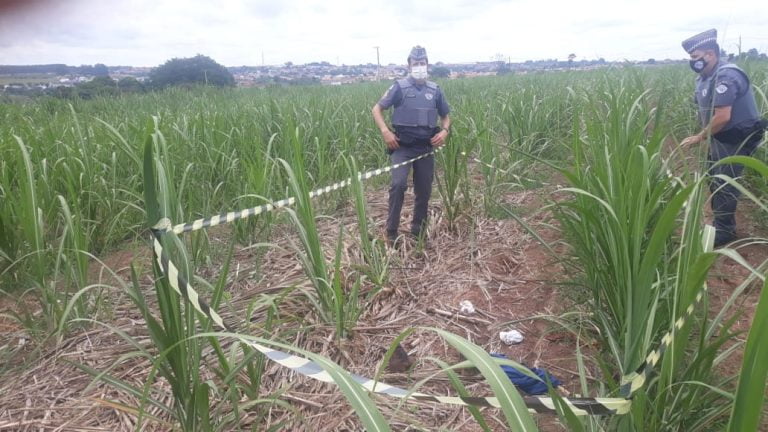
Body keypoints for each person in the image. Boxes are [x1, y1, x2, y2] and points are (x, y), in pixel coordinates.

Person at [680, 29, 767, 247]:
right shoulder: (704, 78)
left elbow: (722, 116)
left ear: (710, 54)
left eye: (695, 57)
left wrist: (698, 138)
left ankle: (725, 231)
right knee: (714, 177)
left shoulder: (727, 76)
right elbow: (703, 106)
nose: (693, 62)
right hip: (719, 138)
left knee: (724, 183)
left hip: (736, 139)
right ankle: (721, 221)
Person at [372, 45, 452, 245]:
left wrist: (444, 131)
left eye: (422, 63)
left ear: (427, 65)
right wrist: (386, 132)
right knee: (398, 185)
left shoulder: (435, 90)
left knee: (424, 190)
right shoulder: (399, 87)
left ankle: (418, 232)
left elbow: (446, 117)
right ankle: (391, 232)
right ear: (409, 66)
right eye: (415, 63)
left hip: (425, 148)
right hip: (402, 147)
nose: (419, 67)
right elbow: (377, 109)